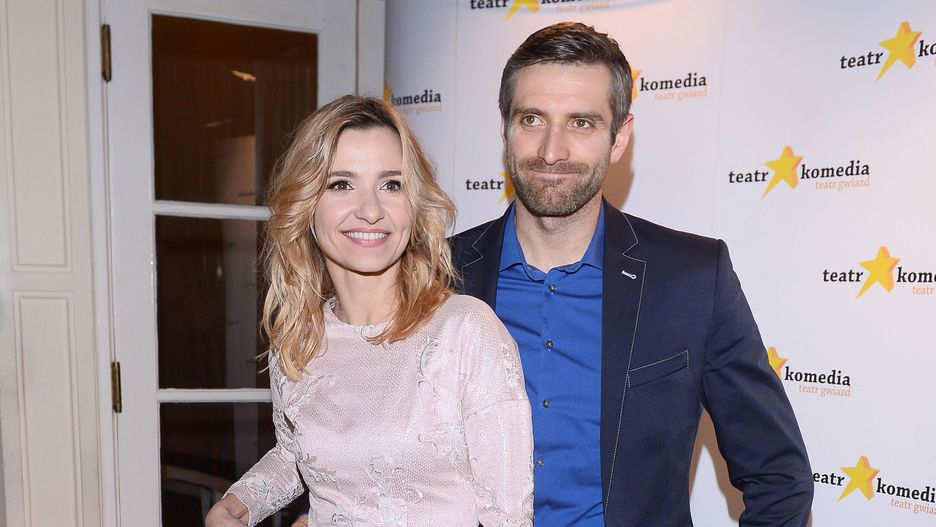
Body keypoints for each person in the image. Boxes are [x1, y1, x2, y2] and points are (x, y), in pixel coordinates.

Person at [449, 22, 814, 526]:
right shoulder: (438, 276)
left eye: (581, 123)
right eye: (532, 119)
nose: (552, 151)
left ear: (619, 137)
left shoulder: (691, 280)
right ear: (505, 129)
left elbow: (779, 476)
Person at [205, 95, 533, 527]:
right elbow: (295, 454)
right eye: (341, 184)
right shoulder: (300, 339)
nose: (371, 210)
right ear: (306, 204)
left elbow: (508, 519)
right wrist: (237, 505)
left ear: (414, 205)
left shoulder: (465, 331)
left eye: (391, 185)